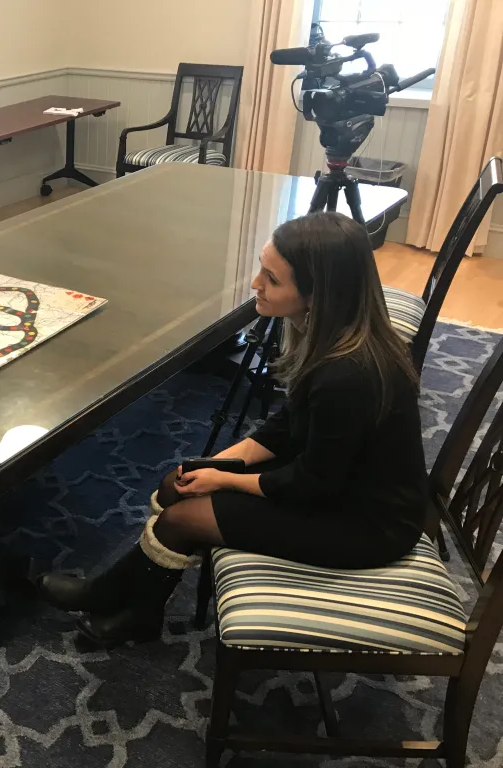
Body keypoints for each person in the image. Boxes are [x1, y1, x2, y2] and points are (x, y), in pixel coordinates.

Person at [38, 211, 429, 648]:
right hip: (339, 480)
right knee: (178, 483)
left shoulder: (348, 375)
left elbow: (313, 484)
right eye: (262, 267)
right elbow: (288, 426)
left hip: (365, 522)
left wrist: (225, 479)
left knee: (185, 515)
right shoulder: (328, 338)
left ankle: (110, 596)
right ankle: (137, 608)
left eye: (272, 279)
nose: (255, 284)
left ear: (317, 295)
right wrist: (218, 463)